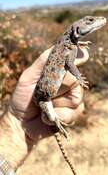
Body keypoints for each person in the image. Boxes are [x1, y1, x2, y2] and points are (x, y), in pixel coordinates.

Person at [0, 46, 89, 174]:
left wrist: (18, 128)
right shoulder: (66, 46)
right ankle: (56, 122)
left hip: (38, 103)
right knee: (54, 115)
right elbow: (69, 63)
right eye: (90, 23)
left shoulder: (70, 46)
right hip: (42, 99)